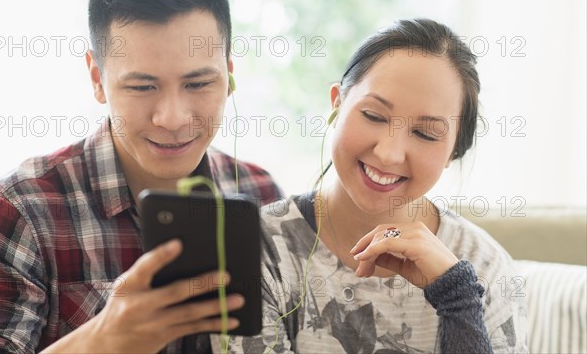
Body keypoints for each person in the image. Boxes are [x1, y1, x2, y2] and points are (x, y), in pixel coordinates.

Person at [0, 0, 283, 353]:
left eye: (198, 84)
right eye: (143, 87)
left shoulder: (260, 193)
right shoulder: (17, 212)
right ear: (97, 78)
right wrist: (106, 339)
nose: (173, 118)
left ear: (229, 74)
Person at [213, 19, 528, 353]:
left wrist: (458, 300)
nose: (389, 154)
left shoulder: (485, 268)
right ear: (337, 103)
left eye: (425, 134)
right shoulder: (255, 248)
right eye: (374, 116)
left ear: (454, 152)